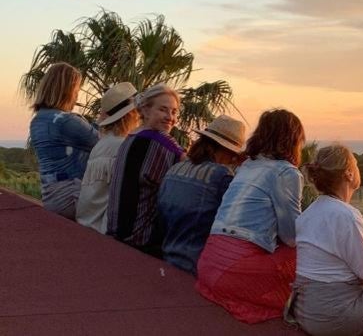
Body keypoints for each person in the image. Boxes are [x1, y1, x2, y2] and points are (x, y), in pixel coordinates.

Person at [195, 109, 305, 324]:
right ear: (293, 140)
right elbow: (292, 237)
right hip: (234, 272)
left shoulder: (247, 166)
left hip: (208, 264)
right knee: (310, 249)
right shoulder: (286, 172)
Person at [285, 144, 363, 336]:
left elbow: (336, 266)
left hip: (306, 313)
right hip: (335, 318)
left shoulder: (308, 214)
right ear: (349, 174)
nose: (358, 168)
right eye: (356, 163)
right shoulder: (346, 216)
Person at [158, 115, 246, 275]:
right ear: (224, 150)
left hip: (164, 259)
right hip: (195, 268)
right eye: (233, 155)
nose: (233, 160)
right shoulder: (222, 176)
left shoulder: (175, 169)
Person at [107, 83, 184, 257]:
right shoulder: (161, 141)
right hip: (141, 239)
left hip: (118, 230)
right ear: (146, 110)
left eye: (174, 112)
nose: (170, 117)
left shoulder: (132, 137)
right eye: (163, 110)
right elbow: (191, 172)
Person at [29, 62, 99, 220]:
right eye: (76, 90)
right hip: (72, 196)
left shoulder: (38, 119)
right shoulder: (65, 120)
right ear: (66, 90)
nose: (76, 96)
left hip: (51, 196)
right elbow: (102, 142)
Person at [76, 82, 140, 233]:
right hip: (100, 229)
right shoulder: (122, 146)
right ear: (130, 115)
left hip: (86, 221)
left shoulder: (102, 143)